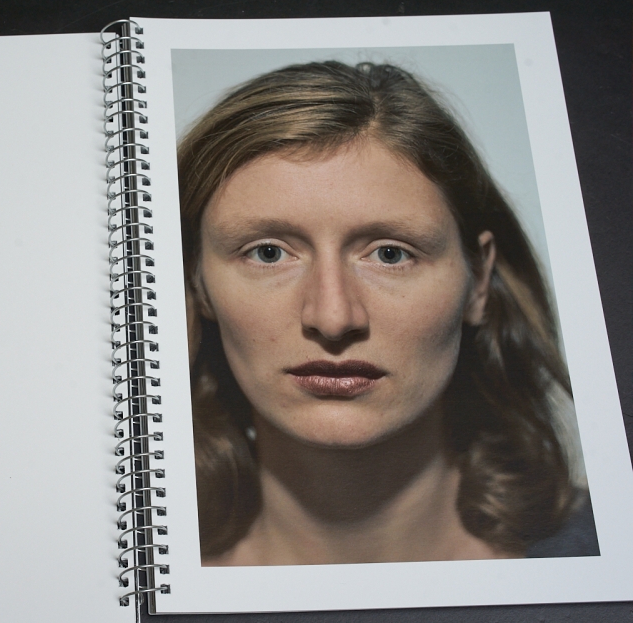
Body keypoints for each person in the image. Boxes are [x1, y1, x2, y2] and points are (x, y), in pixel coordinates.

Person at [178, 61, 596, 565]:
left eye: (391, 254)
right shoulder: (146, 586)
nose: (333, 318)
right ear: (196, 283)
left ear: (479, 281)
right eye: (268, 253)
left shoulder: (609, 557)